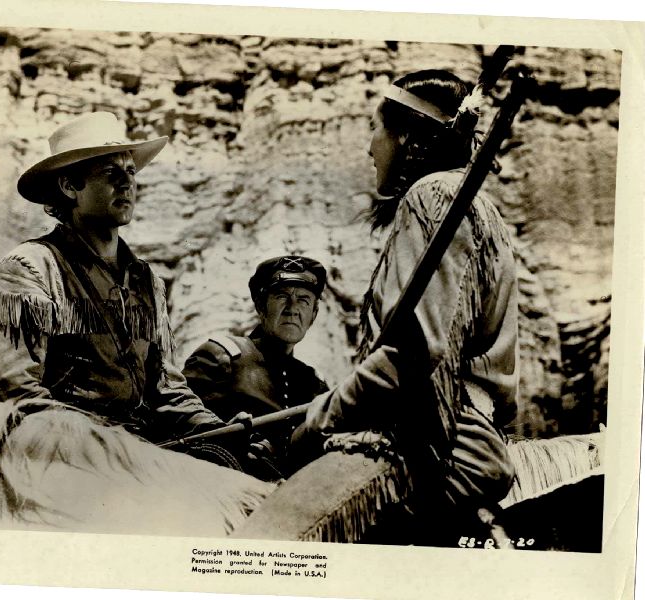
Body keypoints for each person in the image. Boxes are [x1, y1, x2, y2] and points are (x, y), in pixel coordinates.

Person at [294, 70, 519, 543]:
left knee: (267, 541)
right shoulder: (478, 205)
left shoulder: (431, 196)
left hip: (430, 450)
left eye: (373, 130)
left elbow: (413, 355)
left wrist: (317, 418)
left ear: (405, 136)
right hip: (473, 438)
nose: (368, 148)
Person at [0, 111, 230, 453]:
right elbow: (8, 389)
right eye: (110, 173)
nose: (126, 183)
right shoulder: (32, 266)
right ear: (69, 186)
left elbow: (167, 390)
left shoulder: (147, 281)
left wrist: (221, 431)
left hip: (139, 452)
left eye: (130, 171)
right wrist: (107, 446)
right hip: (57, 453)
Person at [183, 256, 329, 480]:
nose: (293, 309)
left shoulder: (313, 384)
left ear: (313, 316)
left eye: (304, 300)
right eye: (282, 297)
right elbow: (180, 429)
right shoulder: (221, 356)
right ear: (261, 306)